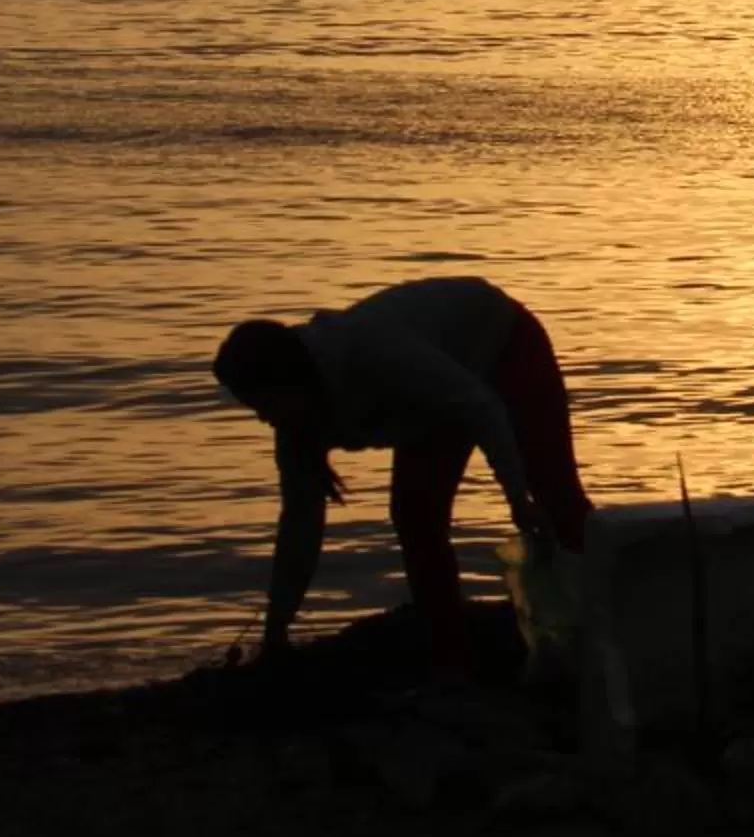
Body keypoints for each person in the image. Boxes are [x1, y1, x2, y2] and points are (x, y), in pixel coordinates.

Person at [211, 275, 594, 674]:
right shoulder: (295, 432)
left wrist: (518, 499)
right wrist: (276, 629)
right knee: (415, 517)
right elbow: (300, 527)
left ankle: (616, 605)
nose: (262, 417)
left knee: (557, 498)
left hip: (503, 343)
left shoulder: (372, 351)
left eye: (262, 402)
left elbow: (478, 407)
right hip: (431, 396)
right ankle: (451, 656)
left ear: (288, 379)